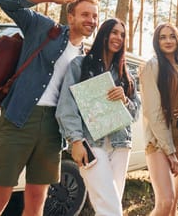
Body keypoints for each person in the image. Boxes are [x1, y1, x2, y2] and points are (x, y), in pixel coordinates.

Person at [0, 0, 99, 216]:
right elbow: (7, 2)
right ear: (70, 16)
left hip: (53, 131)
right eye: (85, 14)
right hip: (18, 120)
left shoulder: (86, 59)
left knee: (37, 202)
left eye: (94, 16)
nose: (91, 20)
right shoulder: (44, 29)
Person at [56, 18, 141, 216]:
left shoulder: (125, 74)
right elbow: (66, 108)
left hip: (121, 145)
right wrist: (76, 141)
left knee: (110, 204)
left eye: (122, 34)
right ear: (103, 34)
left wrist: (125, 101)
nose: (118, 37)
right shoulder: (80, 65)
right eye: (114, 32)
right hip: (92, 144)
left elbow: (135, 113)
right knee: (110, 208)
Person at [140, 23, 178, 216]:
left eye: (172, 36)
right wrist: (169, 150)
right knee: (165, 202)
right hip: (159, 141)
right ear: (157, 41)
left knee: (172, 208)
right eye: (163, 37)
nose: (168, 40)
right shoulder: (152, 66)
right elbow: (152, 111)